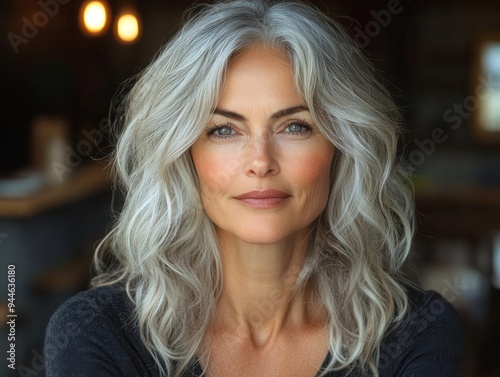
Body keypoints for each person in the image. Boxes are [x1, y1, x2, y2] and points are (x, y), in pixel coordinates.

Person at [44, 0, 463, 376]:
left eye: (295, 126)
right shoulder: (97, 334)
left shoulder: (417, 334)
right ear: (184, 154)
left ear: (342, 147)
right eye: (224, 129)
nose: (261, 162)